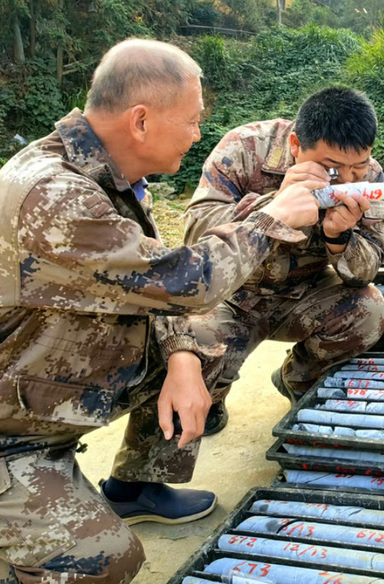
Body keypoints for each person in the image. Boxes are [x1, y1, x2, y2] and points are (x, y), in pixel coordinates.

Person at [0, 38, 323, 584]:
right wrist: (273, 218)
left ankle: (136, 486)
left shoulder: (103, 175)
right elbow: (183, 280)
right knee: (102, 563)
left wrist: (180, 357)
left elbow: (147, 287)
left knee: (204, 348)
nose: (199, 134)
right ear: (142, 120)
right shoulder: (52, 195)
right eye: (193, 120)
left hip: (41, 391)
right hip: (12, 428)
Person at [184, 86, 384, 432]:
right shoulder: (244, 148)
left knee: (368, 310)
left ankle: (297, 379)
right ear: (295, 146)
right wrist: (274, 206)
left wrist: (339, 239)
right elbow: (196, 236)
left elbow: (367, 269)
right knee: (189, 345)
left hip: (305, 293)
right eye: (332, 168)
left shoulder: (368, 175)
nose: (348, 179)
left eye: (358, 167)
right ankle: (214, 395)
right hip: (233, 295)